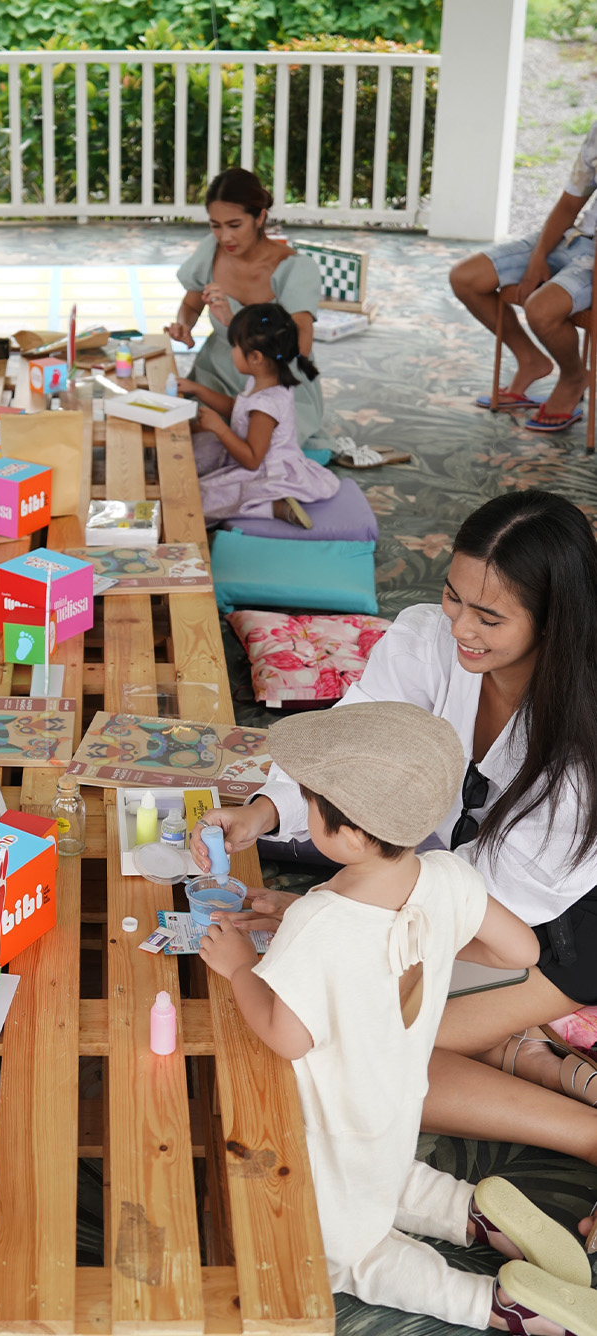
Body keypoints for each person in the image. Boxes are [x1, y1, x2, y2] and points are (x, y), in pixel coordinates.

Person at [195, 489, 597, 1171]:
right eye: (453, 596)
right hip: (440, 883)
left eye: (489, 616)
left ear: (554, 623)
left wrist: (337, 917)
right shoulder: (426, 640)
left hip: (551, 928)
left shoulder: (582, 749)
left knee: (354, 1043)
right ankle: (524, 1052)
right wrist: (263, 812)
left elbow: (499, 925)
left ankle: (582, 1131)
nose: (459, 626)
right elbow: (350, 745)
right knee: (357, 1014)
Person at [199, 701, 597, 1336]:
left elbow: (286, 1034)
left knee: (347, 1253)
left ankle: (500, 1305)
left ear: (349, 835)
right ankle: (475, 1214)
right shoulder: (446, 875)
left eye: (311, 799)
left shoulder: (321, 923)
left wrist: (241, 967)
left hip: (330, 1122)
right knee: (379, 1176)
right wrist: (434, 941)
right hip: (398, 1097)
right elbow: (521, 951)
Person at [450, 120, 597, 433]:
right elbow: (571, 202)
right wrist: (538, 257)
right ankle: (530, 359)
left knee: (541, 309)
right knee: (466, 278)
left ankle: (573, 377)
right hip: (574, 237)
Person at [167, 167, 328, 454]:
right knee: (176, 438)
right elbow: (192, 303)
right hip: (216, 371)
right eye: (215, 225)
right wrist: (184, 327)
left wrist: (235, 321)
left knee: (253, 450)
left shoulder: (294, 269)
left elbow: (300, 346)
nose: (224, 236)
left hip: (273, 382)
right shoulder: (211, 249)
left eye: (234, 225)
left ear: (260, 217)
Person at [181, 302, 338, 528]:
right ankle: (270, 502)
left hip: (265, 474)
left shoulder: (265, 406)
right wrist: (198, 389)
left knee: (199, 499)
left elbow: (253, 460)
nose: (232, 352)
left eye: (234, 346)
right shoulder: (264, 381)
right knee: (198, 456)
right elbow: (239, 409)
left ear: (255, 357)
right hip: (263, 462)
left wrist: (220, 427)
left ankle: (273, 506)